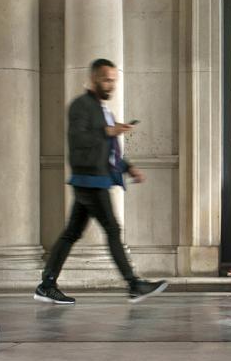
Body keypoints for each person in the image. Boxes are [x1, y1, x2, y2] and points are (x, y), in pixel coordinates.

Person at [33, 59, 167, 305]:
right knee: (113, 230)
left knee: (71, 233)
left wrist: (129, 168)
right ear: (94, 78)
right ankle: (134, 284)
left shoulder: (102, 109)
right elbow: (78, 139)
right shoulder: (80, 106)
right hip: (90, 180)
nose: (111, 84)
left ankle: (47, 284)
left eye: (114, 80)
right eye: (107, 79)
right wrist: (108, 132)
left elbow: (108, 149)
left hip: (95, 179)